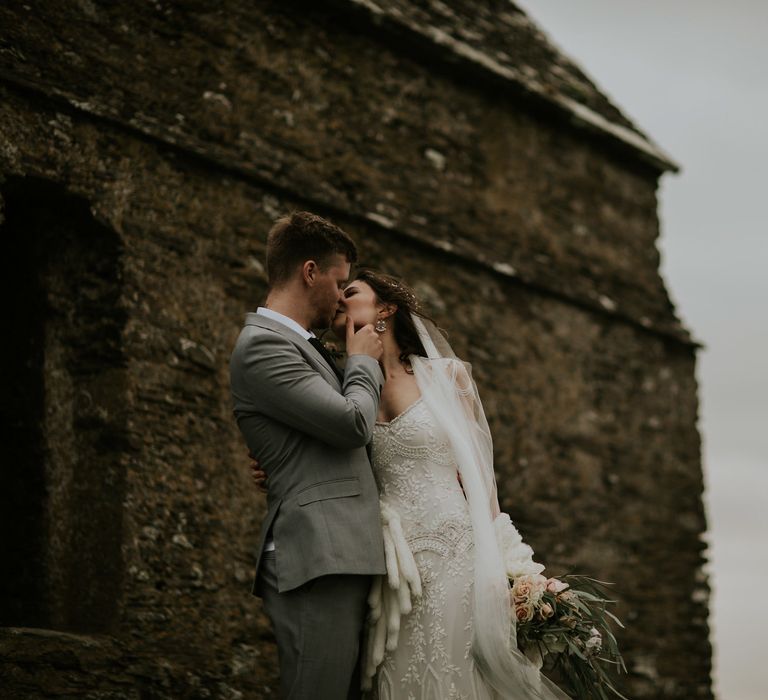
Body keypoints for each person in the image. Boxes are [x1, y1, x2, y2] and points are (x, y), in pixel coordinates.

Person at [251, 269, 571, 699]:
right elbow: (325, 453)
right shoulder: (343, 386)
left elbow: (480, 478)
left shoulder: (447, 375)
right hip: (392, 566)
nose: (340, 300)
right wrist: (275, 466)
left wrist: (509, 562)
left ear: (386, 308)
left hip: (456, 550)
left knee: (460, 664)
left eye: (352, 292)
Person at [229, 212, 388, 700]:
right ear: (310, 271)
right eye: (339, 283)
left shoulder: (300, 345)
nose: (342, 297)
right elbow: (351, 423)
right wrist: (363, 360)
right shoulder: (263, 346)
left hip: (339, 553)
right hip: (318, 555)